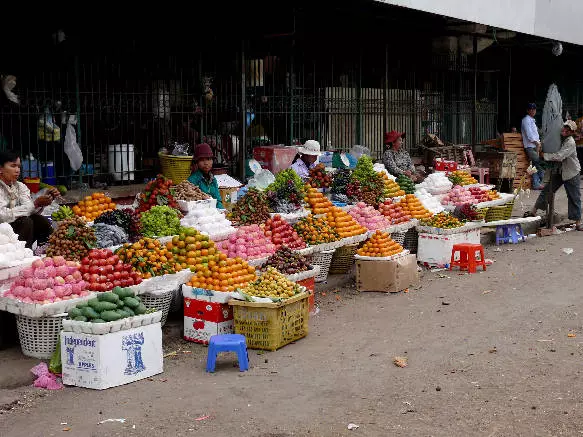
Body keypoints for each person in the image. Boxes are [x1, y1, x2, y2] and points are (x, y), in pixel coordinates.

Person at [527, 120, 582, 230]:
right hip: (559, 171)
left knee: (574, 197)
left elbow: (559, 156)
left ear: (572, 132)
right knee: (547, 191)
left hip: (571, 172)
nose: (565, 130)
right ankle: (533, 212)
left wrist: (544, 155)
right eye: (565, 127)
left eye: (569, 129)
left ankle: (578, 223)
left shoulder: (570, 142)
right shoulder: (558, 139)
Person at [0, 150, 58, 248]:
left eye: (18, 166)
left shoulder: (20, 186)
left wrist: (42, 202)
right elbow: (3, 216)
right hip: (3, 232)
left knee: (39, 220)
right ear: (0, 168)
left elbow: (29, 209)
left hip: (15, 227)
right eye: (13, 166)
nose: (17, 170)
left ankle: (45, 249)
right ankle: (22, 252)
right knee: (26, 222)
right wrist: (35, 204)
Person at [187, 143, 224, 209]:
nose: (206, 163)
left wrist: (222, 211)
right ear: (197, 162)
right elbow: (192, 203)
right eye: (202, 160)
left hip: (213, 213)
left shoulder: (213, 180)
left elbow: (218, 200)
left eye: (209, 159)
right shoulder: (192, 180)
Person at [521, 103, 545, 189]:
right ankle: (537, 183)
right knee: (539, 163)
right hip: (530, 146)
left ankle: (536, 184)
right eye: (530, 109)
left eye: (534, 109)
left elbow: (536, 134)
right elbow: (529, 134)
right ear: (527, 110)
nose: (532, 111)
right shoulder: (526, 120)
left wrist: (538, 143)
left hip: (535, 145)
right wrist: (536, 143)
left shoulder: (532, 120)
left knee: (535, 165)